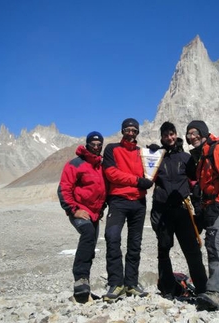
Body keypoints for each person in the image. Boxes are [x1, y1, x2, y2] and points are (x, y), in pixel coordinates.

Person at [149, 121, 207, 300]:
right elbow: (146, 176)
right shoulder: (157, 157)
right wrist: (151, 154)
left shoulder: (186, 157)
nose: (169, 137)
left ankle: (203, 289)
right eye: (166, 135)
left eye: (172, 133)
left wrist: (199, 210)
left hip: (182, 210)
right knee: (163, 250)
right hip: (163, 210)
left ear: (176, 134)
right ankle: (167, 289)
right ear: (162, 137)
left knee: (192, 250)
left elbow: (196, 183)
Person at [185, 120, 219, 311]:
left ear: (203, 132)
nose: (192, 137)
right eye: (189, 135)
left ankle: (214, 292)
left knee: (212, 242)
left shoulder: (218, 150)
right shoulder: (203, 155)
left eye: (194, 133)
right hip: (212, 205)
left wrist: (218, 205)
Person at [102, 118, 154, 302]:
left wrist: (155, 154)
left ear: (137, 132)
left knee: (134, 243)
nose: (130, 133)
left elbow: (152, 171)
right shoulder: (112, 149)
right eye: (127, 129)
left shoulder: (142, 153)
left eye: (134, 130)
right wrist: (137, 181)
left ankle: (131, 283)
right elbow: (111, 173)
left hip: (138, 203)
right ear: (122, 131)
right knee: (112, 237)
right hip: (118, 200)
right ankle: (116, 283)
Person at [57, 131, 106, 302]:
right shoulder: (75, 164)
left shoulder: (101, 165)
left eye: (99, 144)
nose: (96, 147)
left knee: (90, 246)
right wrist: (73, 210)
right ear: (87, 144)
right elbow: (64, 188)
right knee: (87, 235)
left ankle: (85, 286)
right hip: (79, 210)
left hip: (94, 214)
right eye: (93, 144)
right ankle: (80, 279)